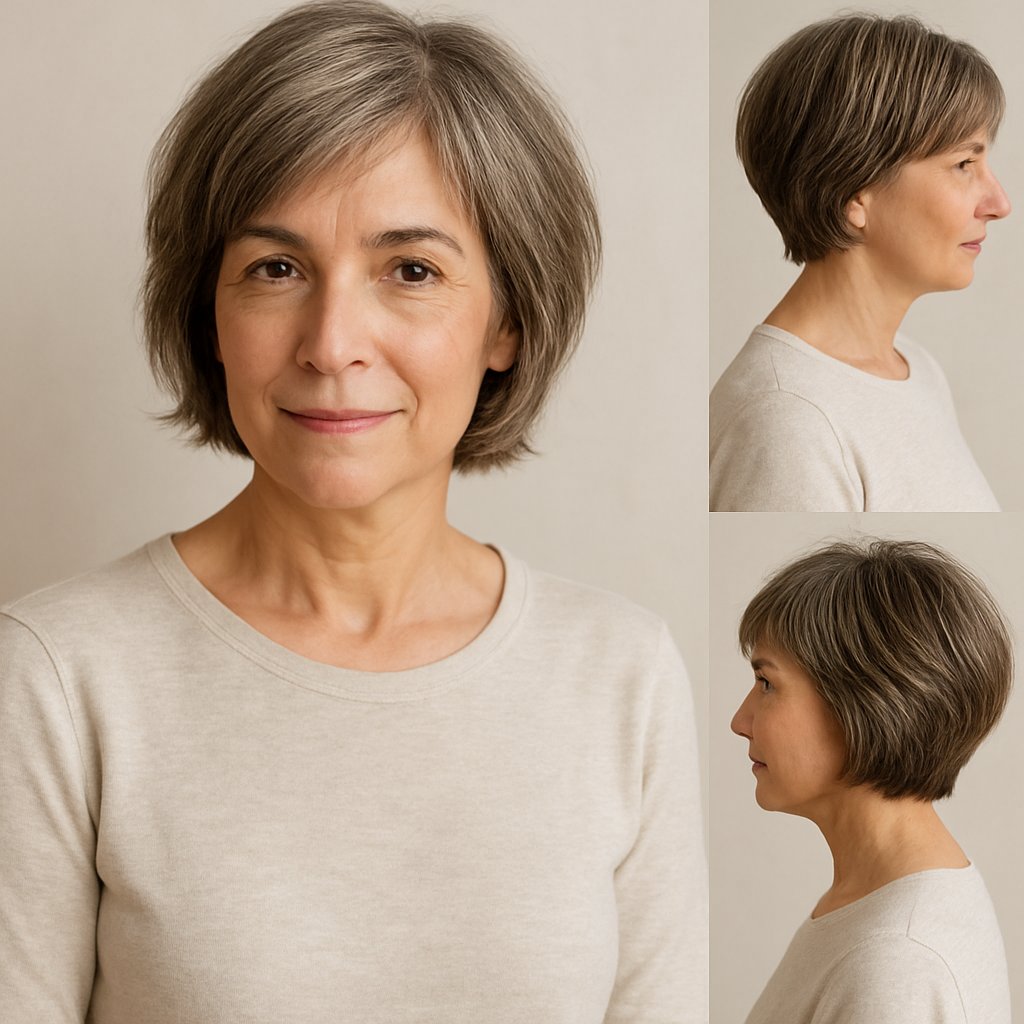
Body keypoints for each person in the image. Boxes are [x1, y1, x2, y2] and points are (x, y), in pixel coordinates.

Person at [0, 2, 707, 1020]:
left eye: (410, 271)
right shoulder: (63, 675)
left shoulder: (618, 674)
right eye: (276, 268)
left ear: (507, 319)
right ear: (209, 311)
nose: (332, 341)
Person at [710, 15, 1011, 512]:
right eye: (964, 164)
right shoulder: (788, 420)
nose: (999, 202)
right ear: (855, 192)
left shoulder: (915, 370)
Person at [731, 539, 1012, 1023]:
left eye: (767, 684)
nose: (740, 719)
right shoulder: (873, 906)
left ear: (866, 703)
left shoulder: (898, 964)